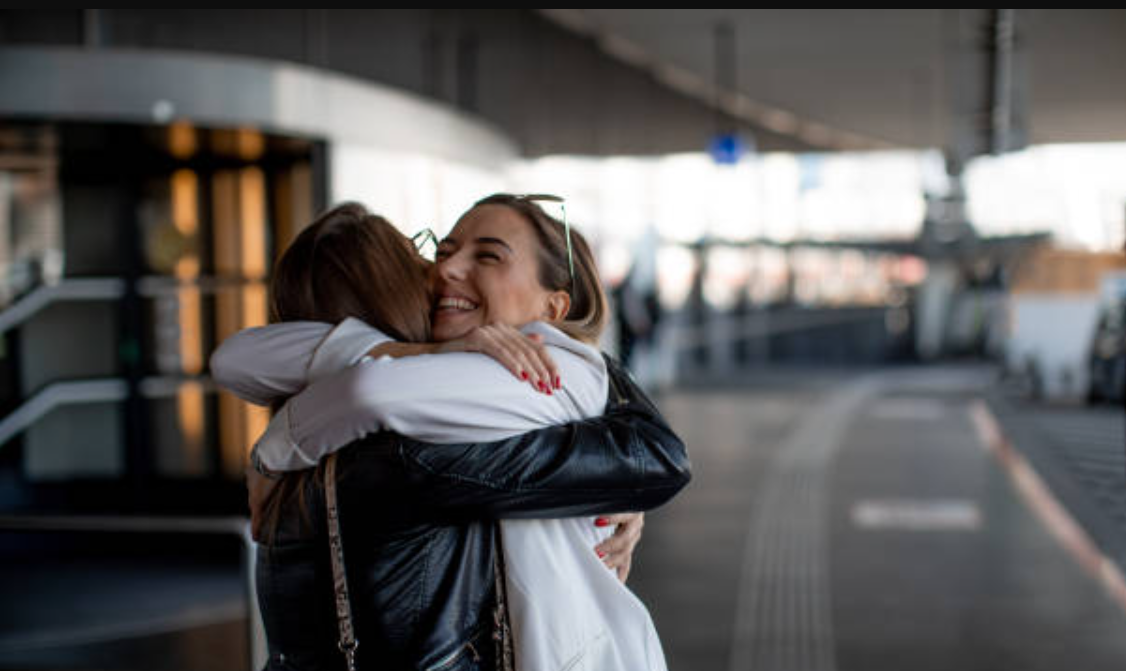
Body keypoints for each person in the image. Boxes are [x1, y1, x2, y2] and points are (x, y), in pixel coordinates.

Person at [211, 198, 690, 670]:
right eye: (438, 254)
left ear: (554, 305)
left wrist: (270, 453)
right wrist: (411, 351)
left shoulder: (542, 363)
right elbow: (252, 362)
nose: (443, 271)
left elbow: (363, 389)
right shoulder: (407, 416)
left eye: (487, 255)